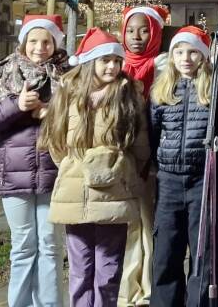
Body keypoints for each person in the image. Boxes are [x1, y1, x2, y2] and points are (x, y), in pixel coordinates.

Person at [40, 28, 150, 307]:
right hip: (75, 193)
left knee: (108, 269)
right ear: (91, 63)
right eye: (105, 61)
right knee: (80, 269)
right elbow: (56, 141)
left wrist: (123, 171)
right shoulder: (68, 95)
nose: (112, 66)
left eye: (116, 61)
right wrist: (71, 168)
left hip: (114, 193)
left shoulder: (128, 96)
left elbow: (140, 146)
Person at [0, 14, 66, 307]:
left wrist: (55, 113)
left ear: (55, 43)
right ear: (24, 43)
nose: (40, 47)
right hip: (15, 175)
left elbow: (82, 116)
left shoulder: (68, 75)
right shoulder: (3, 76)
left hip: (55, 172)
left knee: (51, 246)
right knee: (23, 247)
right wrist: (17, 105)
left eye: (46, 41)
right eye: (34, 41)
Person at [149, 26, 216, 307]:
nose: (185, 58)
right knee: (166, 252)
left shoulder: (213, 91)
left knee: (201, 254)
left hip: (202, 180)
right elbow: (152, 133)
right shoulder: (162, 91)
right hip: (168, 181)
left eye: (192, 52)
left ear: (203, 56)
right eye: (179, 52)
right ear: (172, 55)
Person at [119, 5, 168, 307]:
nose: (137, 37)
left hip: (156, 160)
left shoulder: (164, 66)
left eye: (144, 30)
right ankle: (126, 290)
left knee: (149, 224)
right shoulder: (115, 66)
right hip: (123, 161)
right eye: (130, 31)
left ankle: (148, 288)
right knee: (127, 226)